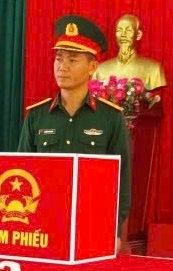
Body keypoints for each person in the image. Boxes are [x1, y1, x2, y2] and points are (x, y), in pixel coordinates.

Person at [18, 14, 131, 244]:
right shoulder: (36, 116)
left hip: (92, 226)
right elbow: (22, 172)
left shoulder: (110, 118)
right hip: (42, 228)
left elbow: (121, 181)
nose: (62, 67)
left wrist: (115, 230)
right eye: (59, 58)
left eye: (72, 60)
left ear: (92, 67)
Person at [92, 13, 168, 92]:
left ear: (138, 35)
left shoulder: (154, 69)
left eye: (128, 30)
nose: (123, 35)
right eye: (119, 30)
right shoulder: (100, 69)